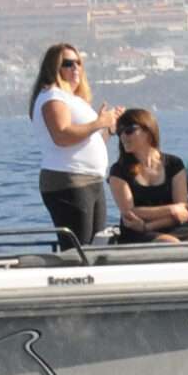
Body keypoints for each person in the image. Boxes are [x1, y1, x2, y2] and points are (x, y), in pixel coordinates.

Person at [28, 42, 119, 247]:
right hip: (69, 180)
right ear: (54, 68)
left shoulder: (74, 99)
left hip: (91, 180)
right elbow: (61, 135)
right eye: (68, 63)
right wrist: (99, 122)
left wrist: (108, 129)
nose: (76, 67)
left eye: (78, 62)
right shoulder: (53, 97)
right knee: (78, 248)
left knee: (95, 245)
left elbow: (86, 141)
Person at [107, 109, 188, 260]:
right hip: (135, 234)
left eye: (128, 130)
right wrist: (171, 209)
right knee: (171, 244)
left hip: (164, 227)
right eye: (119, 132)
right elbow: (130, 213)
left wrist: (148, 226)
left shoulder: (174, 164)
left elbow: (183, 211)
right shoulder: (118, 170)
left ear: (148, 130)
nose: (122, 136)